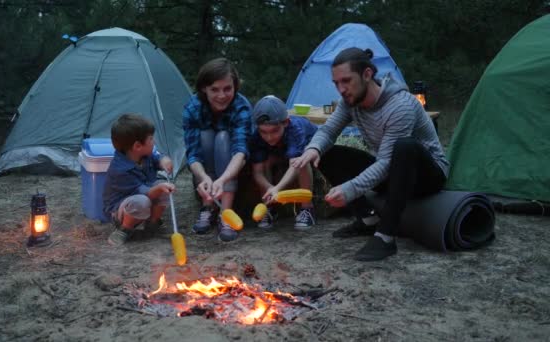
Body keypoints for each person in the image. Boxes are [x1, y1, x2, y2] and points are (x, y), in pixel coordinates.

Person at [292, 48, 449, 261]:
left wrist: (350, 190)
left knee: (404, 147)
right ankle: (368, 220)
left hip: (427, 175)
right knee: (326, 153)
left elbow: (386, 162)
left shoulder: (400, 106)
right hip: (392, 170)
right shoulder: (350, 102)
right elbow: (328, 131)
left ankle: (385, 236)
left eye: (346, 80)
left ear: (367, 74)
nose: (341, 89)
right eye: (336, 83)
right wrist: (313, 149)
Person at [182, 57, 252, 242]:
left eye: (227, 89)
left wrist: (223, 179)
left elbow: (241, 151)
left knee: (223, 137)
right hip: (207, 167)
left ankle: (226, 211)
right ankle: (208, 205)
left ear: (235, 87)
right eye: (214, 89)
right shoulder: (192, 108)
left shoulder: (241, 106)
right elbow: (193, 153)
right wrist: (204, 177)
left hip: (235, 171)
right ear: (204, 88)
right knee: (204, 136)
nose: (221, 95)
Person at [102, 114, 175, 246]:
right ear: (137, 146)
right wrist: (159, 188)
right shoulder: (120, 170)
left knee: (164, 188)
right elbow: (145, 193)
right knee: (142, 201)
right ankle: (125, 229)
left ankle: (152, 223)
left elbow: (157, 157)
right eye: (151, 139)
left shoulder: (145, 155)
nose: (154, 142)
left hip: (145, 198)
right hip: (123, 210)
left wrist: (164, 160)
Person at [250, 95, 318, 230]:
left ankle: (307, 208)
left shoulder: (295, 129)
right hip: (281, 154)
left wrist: (277, 188)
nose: (269, 137)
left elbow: (295, 165)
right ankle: (268, 207)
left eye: (274, 131)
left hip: (310, 156)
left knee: (302, 161)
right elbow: (257, 172)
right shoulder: (256, 136)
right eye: (264, 132)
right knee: (266, 162)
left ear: (285, 122)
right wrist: (269, 188)